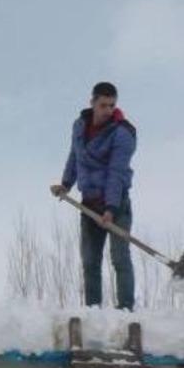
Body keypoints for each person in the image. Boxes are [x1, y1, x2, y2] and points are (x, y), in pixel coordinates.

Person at [51, 82, 137, 311]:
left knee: (119, 257)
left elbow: (117, 172)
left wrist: (110, 208)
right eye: (103, 105)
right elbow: (75, 156)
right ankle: (93, 312)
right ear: (92, 103)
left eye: (112, 105)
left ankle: (126, 310)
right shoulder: (79, 126)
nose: (108, 110)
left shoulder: (123, 133)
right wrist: (66, 184)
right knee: (90, 262)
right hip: (89, 205)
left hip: (117, 205)